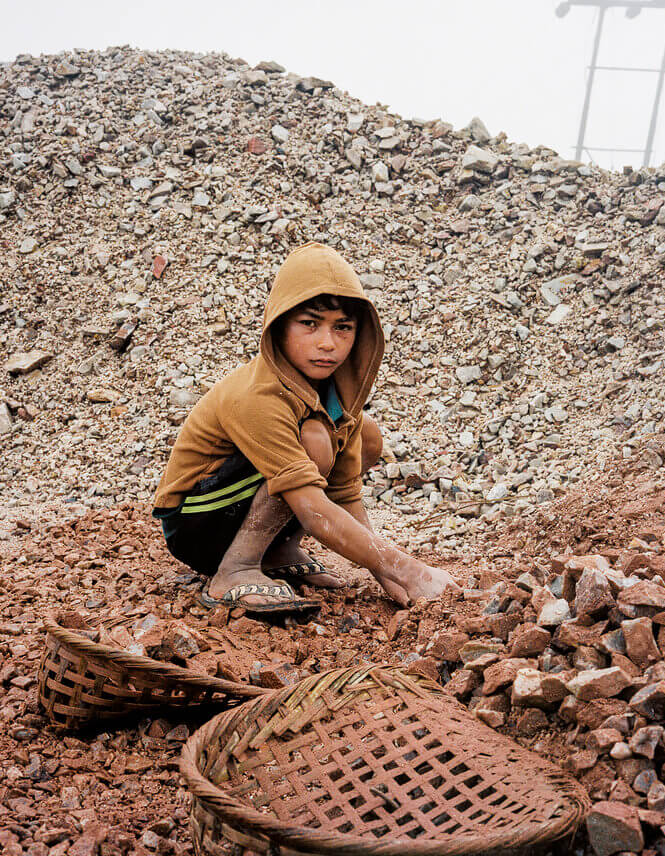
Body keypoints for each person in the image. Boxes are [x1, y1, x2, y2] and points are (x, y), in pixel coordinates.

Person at [152, 241, 456, 615]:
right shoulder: (258, 395)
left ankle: (274, 550)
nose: (327, 343)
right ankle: (236, 568)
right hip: (196, 524)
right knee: (314, 441)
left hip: (238, 510)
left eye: (342, 327)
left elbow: (344, 496)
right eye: (309, 324)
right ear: (279, 326)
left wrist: (384, 571)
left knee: (368, 436)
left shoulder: (337, 397)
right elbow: (313, 508)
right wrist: (410, 570)